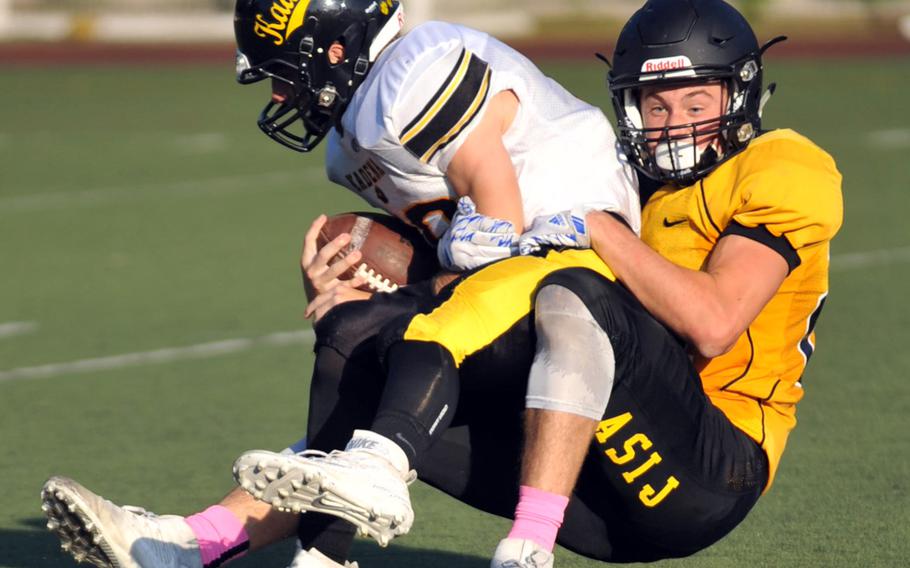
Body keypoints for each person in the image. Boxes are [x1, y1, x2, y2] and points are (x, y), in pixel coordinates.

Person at [232, 0, 844, 566]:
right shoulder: (635, 179)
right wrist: (375, 294)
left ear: (739, 97)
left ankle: (527, 549)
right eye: (655, 106)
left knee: (576, 291)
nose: (673, 126)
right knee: (371, 345)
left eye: (695, 104)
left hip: (708, 467)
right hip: (591, 453)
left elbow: (712, 325)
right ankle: (209, 541)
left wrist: (601, 230)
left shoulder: (781, 165)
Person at [40, 0, 640, 567]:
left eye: (284, 71)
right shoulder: (352, 139)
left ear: (334, 47)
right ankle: (198, 544)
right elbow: (453, 254)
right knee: (352, 338)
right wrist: (356, 295)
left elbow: (497, 229)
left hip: (581, 286)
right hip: (509, 294)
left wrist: (406, 299)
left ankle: (363, 491)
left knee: (382, 366)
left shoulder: (414, 73)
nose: (279, 93)